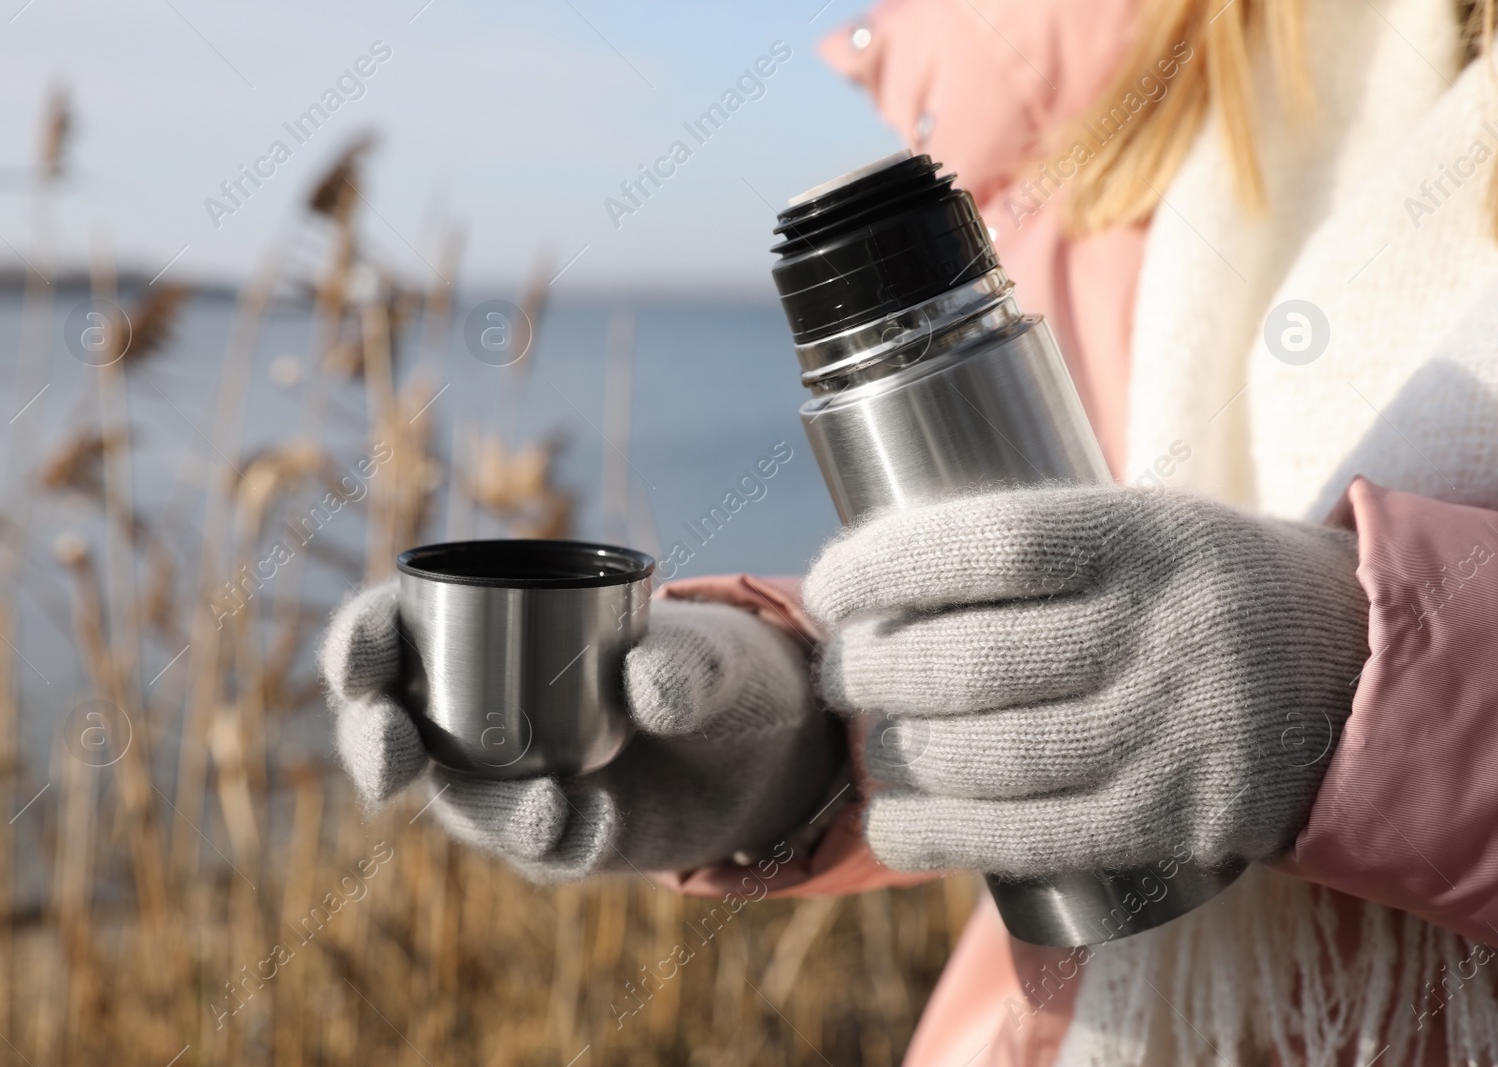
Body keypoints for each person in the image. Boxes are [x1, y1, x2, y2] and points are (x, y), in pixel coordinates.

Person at [322, 0, 1498, 1062]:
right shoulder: (1148, 72)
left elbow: (1169, 651)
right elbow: (1038, 621)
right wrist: (787, 735)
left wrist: (1358, 690)